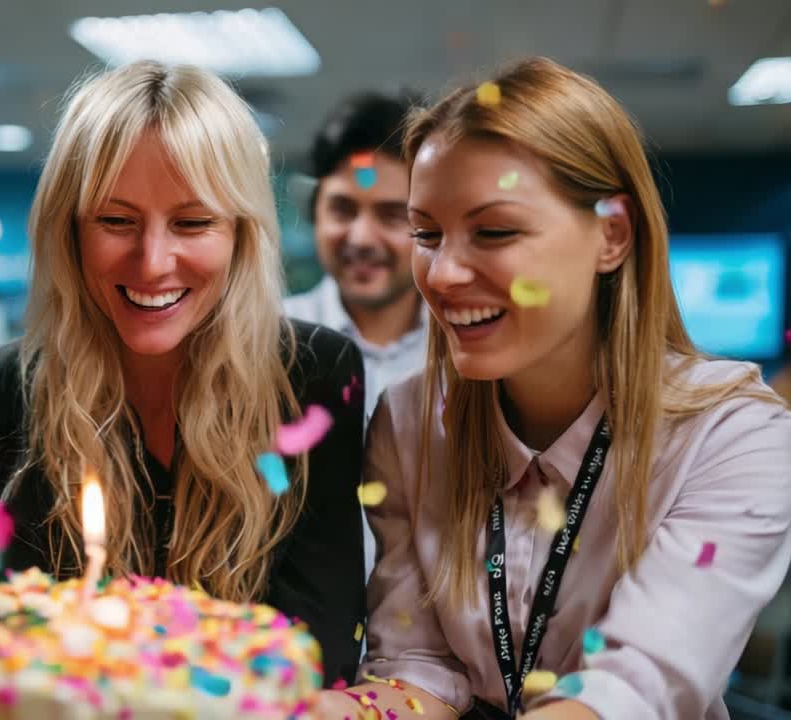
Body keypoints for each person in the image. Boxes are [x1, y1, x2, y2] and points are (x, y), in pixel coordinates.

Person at [323, 57, 791, 720]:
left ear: (612, 235)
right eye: (426, 233)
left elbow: (635, 687)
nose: (445, 273)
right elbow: (416, 666)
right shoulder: (409, 419)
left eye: (494, 231)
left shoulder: (733, 433)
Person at [0, 60, 368, 692]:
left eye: (193, 223)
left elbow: (317, 650)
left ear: (242, 234)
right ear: (70, 230)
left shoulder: (311, 376)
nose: (153, 261)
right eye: (115, 221)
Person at [284, 92, 426, 420]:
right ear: (314, 213)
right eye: (342, 210)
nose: (361, 239)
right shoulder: (268, 341)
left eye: (392, 214)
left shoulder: (466, 350)